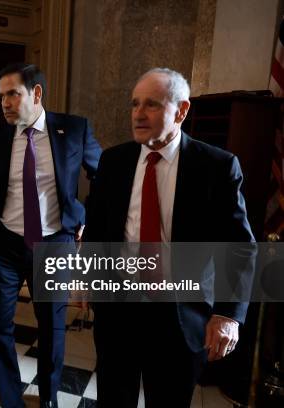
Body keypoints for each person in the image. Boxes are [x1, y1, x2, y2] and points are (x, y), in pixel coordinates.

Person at [84, 68, 254, 407]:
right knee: (113, 399)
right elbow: (99, 229)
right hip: (119, 311)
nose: (138, 113)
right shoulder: (114, 161)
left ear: (181, 110)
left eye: (152, 104)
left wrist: (228, 314)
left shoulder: (216, 167)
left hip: (180, 315)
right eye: (134, 104)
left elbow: (238, 246)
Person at [0, 63, 102, 408]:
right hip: (5, 244)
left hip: (53, 243)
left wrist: (83, 216)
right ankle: (12, 400)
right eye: (1, 95)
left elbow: (105, 176)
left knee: (51, 329)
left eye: (12, 94)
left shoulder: (74, 130)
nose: (4, 102)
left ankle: (48, 399)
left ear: (36, 93)